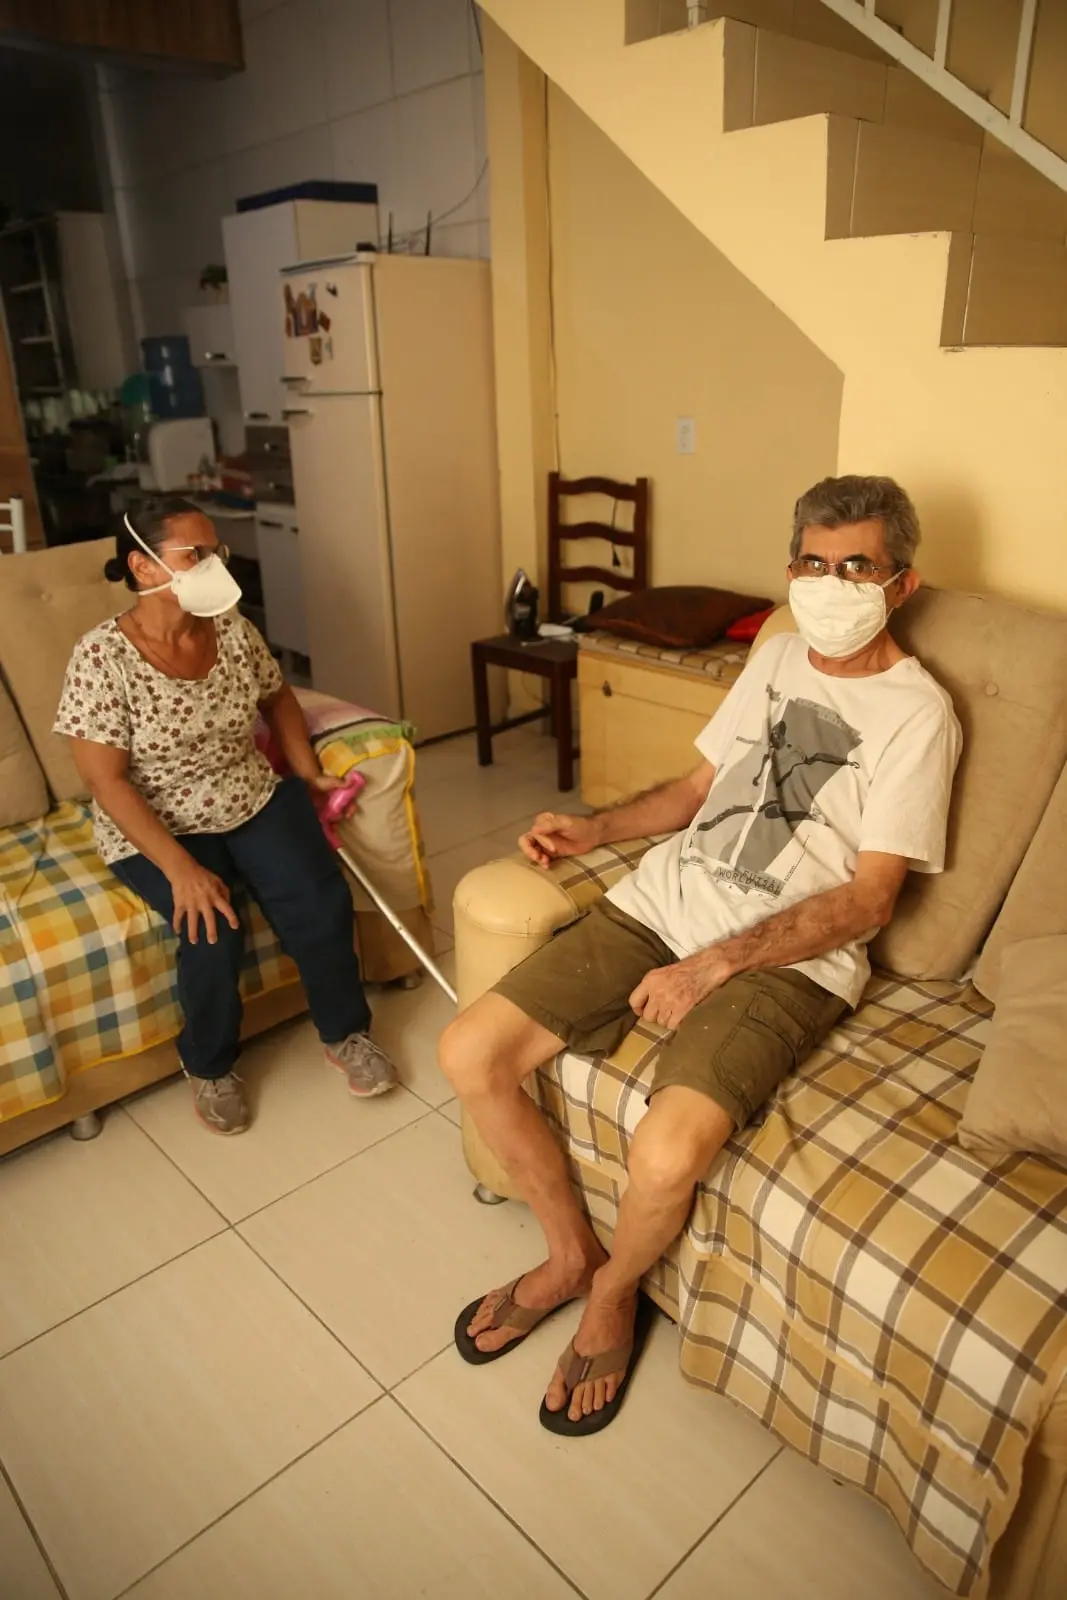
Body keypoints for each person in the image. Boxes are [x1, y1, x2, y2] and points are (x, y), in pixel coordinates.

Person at [439, 474, 961, 1437]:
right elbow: (695, 788)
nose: (829, 584)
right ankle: (569, 1257)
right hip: (658, 905)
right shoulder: (777, 655)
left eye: (856, 566)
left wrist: (713, 965)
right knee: (469, 1052)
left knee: (668, 1149)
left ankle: (613, 1296)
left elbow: (869, 899)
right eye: (812, 562)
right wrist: (595, 831)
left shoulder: (917, 713)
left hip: (785, 962)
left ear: (902, 584)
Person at [54, 495, 398, 1135]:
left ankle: (346, 1033)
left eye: (217, 552)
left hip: (249, 794)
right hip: (161, 820)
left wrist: (306, 771)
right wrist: (181, 869)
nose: (214, 565)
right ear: (144, 565)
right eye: (197, 554)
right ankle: (209, 1065)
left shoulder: (231, 628)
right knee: (210, 928)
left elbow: (278, 696)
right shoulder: (101, 658)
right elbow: (105, 780)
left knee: (318, 900)